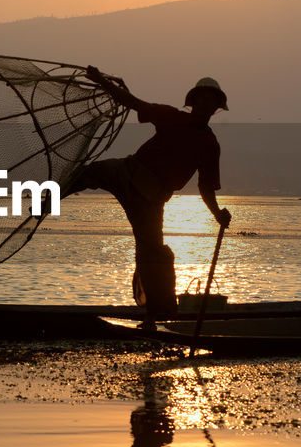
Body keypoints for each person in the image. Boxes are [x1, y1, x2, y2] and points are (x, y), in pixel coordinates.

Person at [67, 71, 231, 322]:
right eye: (202, 100)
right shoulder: (171, 117)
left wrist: (217, 214)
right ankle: (44, 201)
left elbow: (206, 187)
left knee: (154, 254)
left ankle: (160, 313)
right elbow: (133, 102)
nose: (205, 106)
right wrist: (102, 81)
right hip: (126, 172)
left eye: (211, 102)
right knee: (87, 173)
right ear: (194, 102)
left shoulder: (210, 144)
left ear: (215, 108)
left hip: (150, 199)